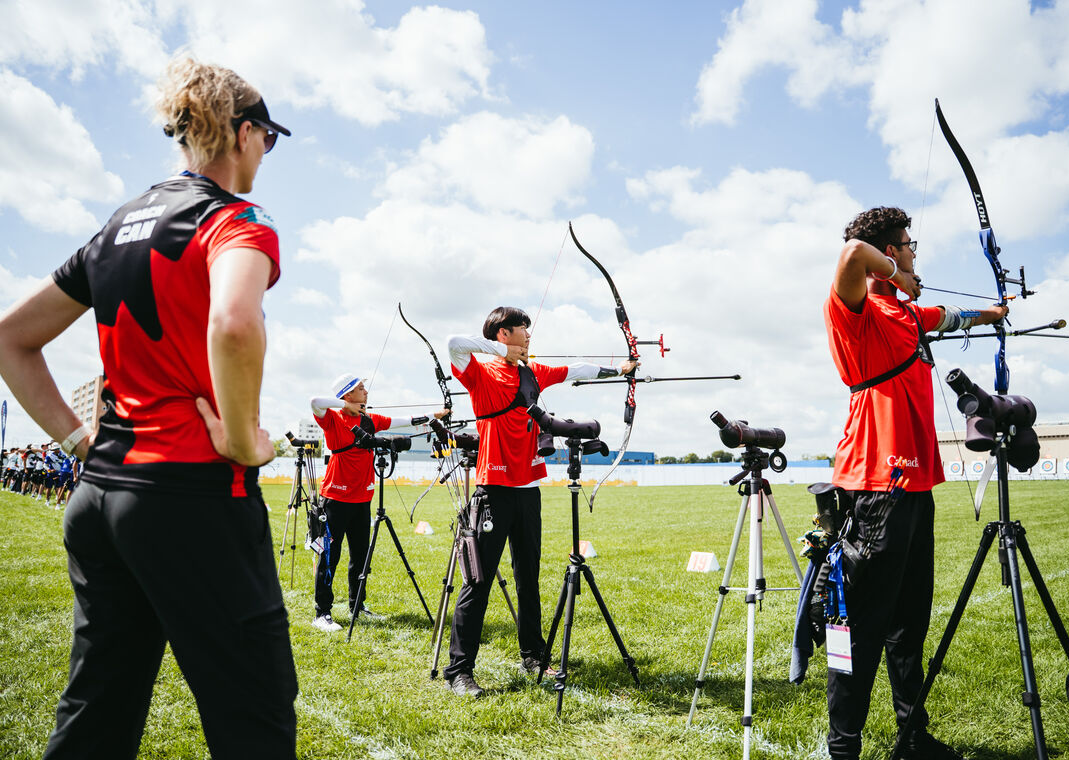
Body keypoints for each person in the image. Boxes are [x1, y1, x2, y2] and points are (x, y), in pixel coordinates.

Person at [0, 57, 297, 759]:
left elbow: (12, 338)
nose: (267, 153)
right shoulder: (236, 220)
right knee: (254, 718)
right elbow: (233, 323)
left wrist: (77, 440)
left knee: (96, 713)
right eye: (270, 138)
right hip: (190, 498)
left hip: (102, 498)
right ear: (243, 132)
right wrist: (247, 440)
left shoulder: (120, 224)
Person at [821, 206, 1008, 760]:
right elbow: (853, 253)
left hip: (916, 483)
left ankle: (912, 735)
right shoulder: (855, 307)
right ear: (889, 252)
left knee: (909, 622)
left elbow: (950, 317)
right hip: (876, 481)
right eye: (907, 244)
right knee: (859, 625)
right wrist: (893, 274)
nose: (914, 252)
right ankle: (843, 747)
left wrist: (991, 312)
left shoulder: (904, 315)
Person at [442, 306, 638, 697]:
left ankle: (533, 656)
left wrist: (620, 369)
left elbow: (577, 370)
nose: (528, 336)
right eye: (521, 330)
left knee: (527, 578)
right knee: (477, 582)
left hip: (528, 492)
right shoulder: (481, 372)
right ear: (503, 334)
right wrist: (499, 353)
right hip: (493, 490)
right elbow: (454, 344)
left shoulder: (532, 373)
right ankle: (459, 670)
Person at [308, 375, 447, 631]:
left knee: (361, 557)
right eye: (360, 388)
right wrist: (344, 406)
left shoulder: (369, 421)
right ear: (347, 395)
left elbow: (405, 421)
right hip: (336, 500)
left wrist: (433, 414)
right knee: (330, 556)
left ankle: (357, 606)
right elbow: (315, 401)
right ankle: (322, 613)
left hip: (363, 499)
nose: (366, 391)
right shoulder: (333, 419)